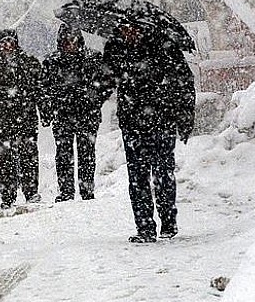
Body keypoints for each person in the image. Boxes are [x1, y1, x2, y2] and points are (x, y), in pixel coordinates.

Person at [103, 24, 195, 243]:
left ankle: (168, 223)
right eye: (124, 28)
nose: (128, 32)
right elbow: (105, 81)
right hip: (132, 122)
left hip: (161, 120)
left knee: (163, 173)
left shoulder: (163, 46)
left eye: (132, 28)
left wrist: (184, 117)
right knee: (138, 177)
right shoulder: (116, 48)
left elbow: (183, 81)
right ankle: (145, 227)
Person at [0, 28, 44, 209]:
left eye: (10, 41)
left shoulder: (29, 63)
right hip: (1, 120)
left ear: (16, 42)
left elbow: (41, 90)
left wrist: (46, 112)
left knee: (29, 157)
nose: (7, 45)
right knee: (6, 160)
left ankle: (31, 192)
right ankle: (8, 196)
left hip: (25, 118)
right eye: (3, 42)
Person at [41, 24, 110, 202]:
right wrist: (50, 108)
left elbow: (105, 84)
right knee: (64, 155)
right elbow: (44, 89)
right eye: (66, 40)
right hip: (63, 115)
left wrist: (94, 100)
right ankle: (66, 192)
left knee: (87, 155)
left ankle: (87, 191)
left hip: (87, 115)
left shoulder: (93, 59)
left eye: (72, 40)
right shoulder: (52, 62)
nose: (69, 44)